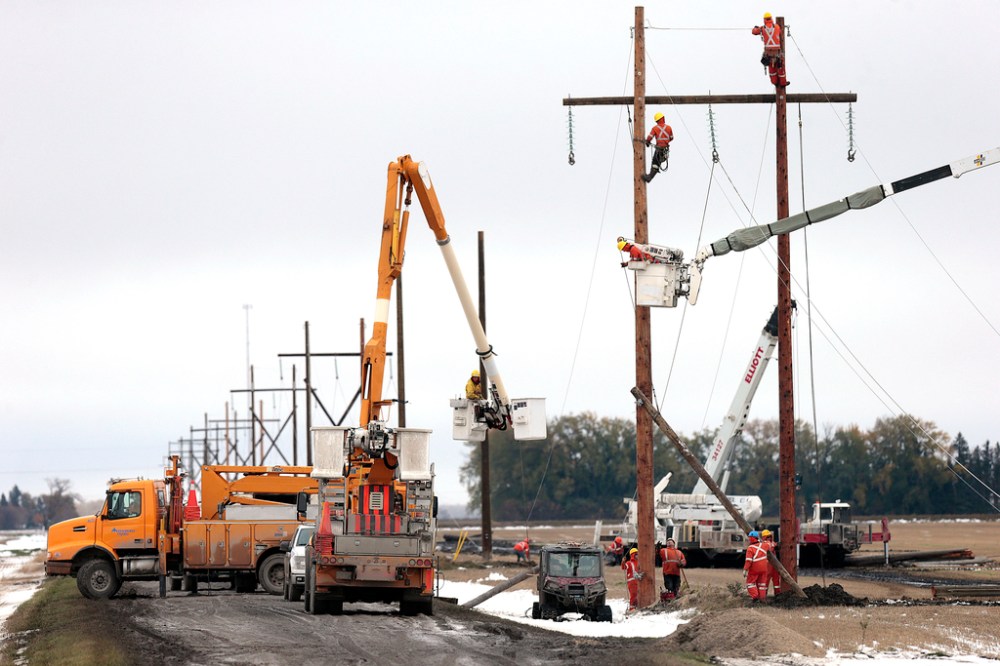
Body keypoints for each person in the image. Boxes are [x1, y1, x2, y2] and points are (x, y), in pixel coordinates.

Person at [751, 13, 789, 88]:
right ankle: (782, 83)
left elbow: (754, 32)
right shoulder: (777, 27)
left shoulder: (762, 28)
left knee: (772, 69)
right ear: (771, 18)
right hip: (777, 52)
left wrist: (755, 28)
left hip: (768, 53)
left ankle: (774, 82)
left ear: (764, 19)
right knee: (780, 67)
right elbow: (780, 34)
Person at [643, 112, 674, 182]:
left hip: (659, 149)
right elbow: (671, 138)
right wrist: (665, 141)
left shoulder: (655, 128)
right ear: (663, 118)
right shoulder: (669, 128)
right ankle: (649, 176)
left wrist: (647, 142)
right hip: (665, 150)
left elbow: (649, 137)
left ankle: (649, 177)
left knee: (655, 163)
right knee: (658, 162)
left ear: (657, 121)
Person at [743, 530, 770, 602]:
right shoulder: (764, 545)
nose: (749, 539)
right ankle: (762, 599)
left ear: (752, 538)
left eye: (749, 537)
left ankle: (755, 598)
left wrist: (745, 569)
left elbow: (748, 561)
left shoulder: (750, 548)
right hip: (764, 569)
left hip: (754, 569)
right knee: (762, 585)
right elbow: (770, 544)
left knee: (750, 583)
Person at [622, 547, 644, 612]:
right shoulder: (629, 563)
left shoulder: (640, 563)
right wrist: (623, 562)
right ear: (633, 555)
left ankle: (638, 607)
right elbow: (624, 567)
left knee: (639, 595)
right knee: (633, 595)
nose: (638, 556)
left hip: (639, 581)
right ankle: (632, 608)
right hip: (632, 582)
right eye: (636, 554)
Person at [761, 529, 782, 596]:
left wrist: (778, 545)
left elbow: (775, 546)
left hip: (774, 565)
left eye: (770, 536)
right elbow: (771, 547)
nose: (769, 538)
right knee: (766, 580)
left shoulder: (772, 543)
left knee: (776, 580)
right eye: (768, 537)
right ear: (764, 537)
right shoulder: (765, 544)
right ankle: (764, 595)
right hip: (768, 565)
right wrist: (776, 545)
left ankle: (777, 594)